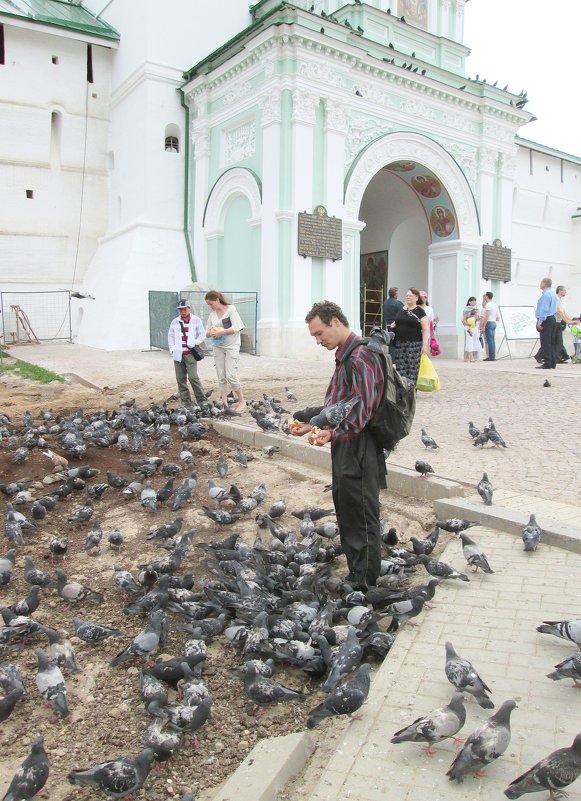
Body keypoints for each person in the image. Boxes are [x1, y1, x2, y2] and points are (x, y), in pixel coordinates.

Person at [290, 300, 385, 591]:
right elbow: (342, 405)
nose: (319, 341)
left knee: (360, 513)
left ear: (335, 322)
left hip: (360, 446)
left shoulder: (361, 357)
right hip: (348, 442)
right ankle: (356, 574)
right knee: (347, 508)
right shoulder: (346, 357)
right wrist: (314, 423)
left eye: (319, 334)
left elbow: (364, 409)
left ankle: (365, 583)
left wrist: (333, 434)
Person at [204, 290, 246, 411]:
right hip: (217, 347)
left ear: (217, 300)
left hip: (231, 346)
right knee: (221, 375)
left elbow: (237, 327)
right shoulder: (212, 315)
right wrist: (211, 332)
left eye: (211, 304)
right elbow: (206, 332)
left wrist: (221, 331)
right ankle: (224, 403)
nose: (210, 307)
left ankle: (242, 401)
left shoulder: (231, 310)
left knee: (231, 375)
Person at [167, 299, 209, 407]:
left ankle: (202, 400)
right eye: (180, 310)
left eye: (184, 309)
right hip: (178, 354)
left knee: (193, 377)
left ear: (189, 308)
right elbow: (170, 335)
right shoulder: (175, 321)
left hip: (190, 353)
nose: (182, 312)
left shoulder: (196, 320)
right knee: (180, 379)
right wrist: (172, 348)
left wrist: (194, 343)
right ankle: (186, 403)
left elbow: (202, 334)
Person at [390, 288, 429, 384]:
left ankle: (411, 391)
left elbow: (425, 329)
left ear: (416, 297)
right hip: (400, 344)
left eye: (410, 295)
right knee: (400, 368)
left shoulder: (420, 311)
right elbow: (397, 321)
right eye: (407, 295)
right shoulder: (401, 309)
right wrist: (393, 325)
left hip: (414, 344)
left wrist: (425, 345)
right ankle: (402, 390)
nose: (408, 297)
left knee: (412, 368)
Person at [535, 277, 558, 369]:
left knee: (545, 342)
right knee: (551, 342)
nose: (540, 284)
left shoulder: (546, 295)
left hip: (546, 319)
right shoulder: (552, 294)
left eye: (541, 282)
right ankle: (553, 361)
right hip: (552, 318)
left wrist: (540, 322)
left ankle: (547, 362)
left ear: (545, 283)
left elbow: (544, 309)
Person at [480, 291, 500, 361]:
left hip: (489, 323)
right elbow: (497, 317)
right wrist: (483, 299)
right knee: (492, 340)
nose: (484, 297)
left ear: (487, 296)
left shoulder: (488, 305)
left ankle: (491, 357)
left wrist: (483, 326)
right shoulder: (494, 304)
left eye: (485, 296)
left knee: (490, 341)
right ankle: (493, 356)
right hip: (494, 323)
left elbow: (487, 316)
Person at [555, 285, 572, 363]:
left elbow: (564, 312)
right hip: (555, 322)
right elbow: (559, 312)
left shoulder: (560, 300)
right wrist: (567, 321)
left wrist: (570, 320)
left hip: (559, 322)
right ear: (560, 291)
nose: (566, 292)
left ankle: (562, 356)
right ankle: (559, 357)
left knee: (558, 340)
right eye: (564, 290)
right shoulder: (556, 299)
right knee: (558, 340)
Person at [462, 296, 482, 362]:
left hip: (475, 327)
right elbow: (464, 320)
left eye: (475, 301)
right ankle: (471, 357)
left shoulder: (477, 309)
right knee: (469, 340)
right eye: (472, 301)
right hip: (468, 327)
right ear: (469, 302)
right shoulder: (466, 309)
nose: (474, 302)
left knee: (474, 341)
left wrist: (478, 317)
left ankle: (466, 357)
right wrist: (468, 324)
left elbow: (479, 318)